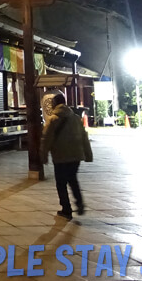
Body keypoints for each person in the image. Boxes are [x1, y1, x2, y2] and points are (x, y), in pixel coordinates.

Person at [40, 92, 93, 220]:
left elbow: (46, 138)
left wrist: (43, 155)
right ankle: (79, 203)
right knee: (73, 180)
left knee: (61, 183)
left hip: (60, 155)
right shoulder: (75, 118)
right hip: (76, 155)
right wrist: (88, 154)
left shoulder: (53, 119)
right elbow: (84, 136)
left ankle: (66, 209)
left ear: (54, 104)